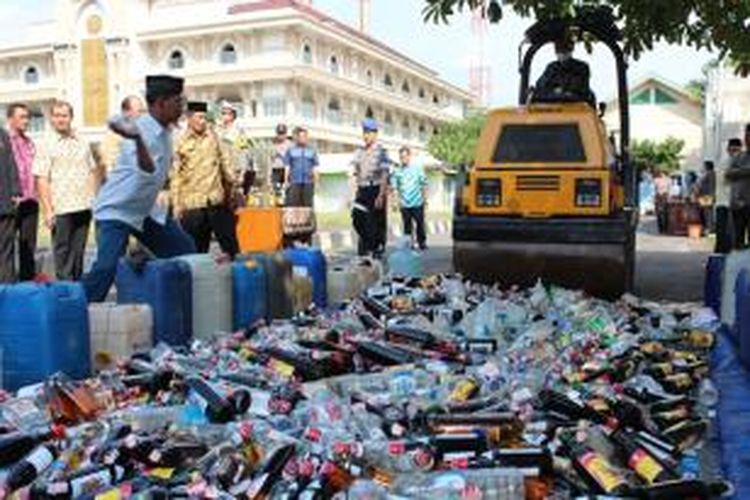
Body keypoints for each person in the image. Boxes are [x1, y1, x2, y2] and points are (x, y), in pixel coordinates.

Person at [82, 75, 196, 302]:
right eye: (177, 102)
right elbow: (146, 169)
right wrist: (136, 140)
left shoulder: (164, 131)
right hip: (116, 211)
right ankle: (75, 310)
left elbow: (115, 119)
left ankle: (165, 293)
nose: (182, 108)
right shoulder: (143, 130)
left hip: (143, 212)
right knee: (105, 269)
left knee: (185, 250)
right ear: (161, 103)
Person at [33, 100, 100, 281]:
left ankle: (77, 289)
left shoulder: (82, 141)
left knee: (78, 252)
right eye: (56, 116)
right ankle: (65, 290)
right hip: (61, 207)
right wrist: (47, 209)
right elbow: (42, 178)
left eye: (64, 115)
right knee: (62, 252)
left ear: (71, 117)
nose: (60, 119)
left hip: (83, 205)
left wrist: (93, 197)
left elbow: (92, 171)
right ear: (51, 119)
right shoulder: (45, 144)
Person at [170, 101, 240, 257]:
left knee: (232, 249)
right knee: (195, 253)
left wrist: (234, 184)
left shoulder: (214, 137)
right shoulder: (180, 142)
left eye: (205, 117)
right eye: (199, 117)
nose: (203, 121)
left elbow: (225, 161)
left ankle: (239, 277)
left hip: (216, 201)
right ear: (189, 118)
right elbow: (175, 176)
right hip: (192, 205)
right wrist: (176, 205)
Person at [350, 118, 391, 258]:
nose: (365, 135)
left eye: (368, 132)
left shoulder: (382, 152)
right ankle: (369, 244)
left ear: (375, 134)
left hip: (376, 189)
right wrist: (352, 193)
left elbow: (385, 175)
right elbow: (355, 173)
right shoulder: (359, 152)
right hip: (362, 190)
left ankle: (376, 248)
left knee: (375, 221)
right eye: (364, 132)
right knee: (357, 217)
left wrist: (381, 195)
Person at [7, 103, 38, 281]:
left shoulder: (29, 142)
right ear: (10, 119)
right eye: (22, 117)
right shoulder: (4, 141)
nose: (26, 121)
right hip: (11, 200)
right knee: (7, 245)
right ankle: (7, 285)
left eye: (28, 117)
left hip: (31, 200)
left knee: (28, 246)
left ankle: (27, 285)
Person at [534, 38, 594, 106]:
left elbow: (581, 88)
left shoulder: (581, 68)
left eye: (564, 51)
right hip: (551, 107)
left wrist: (563, 91)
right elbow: (540, 86)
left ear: (571, 50)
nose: (562, 54)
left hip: (575, 107)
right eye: (559, 51)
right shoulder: (551, 68)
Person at [391, 146, 428, 250]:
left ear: (409, 156)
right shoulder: (397, 171)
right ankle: (409, 244)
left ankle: (422, 242)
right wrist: (395, 202)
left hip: (417, 202)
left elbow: (424, 184)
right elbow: (394, 188)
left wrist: (425, 199)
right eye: (401, 157)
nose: (403, 159)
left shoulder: (417, 169)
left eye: (405, 156)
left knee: (420, 223)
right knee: (407, 226)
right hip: (404, 203)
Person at [100, 95, 145, 175]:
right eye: (139, 111)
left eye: (143, 111)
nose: (142, 115)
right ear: (126, 112)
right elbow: (109, 165)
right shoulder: (114, 134)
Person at [216, 100, 255, 195]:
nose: (224, 116)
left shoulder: (238, 132)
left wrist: (242, 174)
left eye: (226, 113)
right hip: (219, 171)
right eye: (222, 113)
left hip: (234, 170)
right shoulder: (217, 130)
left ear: (233, 116)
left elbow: (244, 153)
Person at [0, 124, 20, 283]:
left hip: (5, 203)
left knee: (7, 247)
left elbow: (11, 163)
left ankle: (7, 287)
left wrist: (16, 191)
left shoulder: (2, 134)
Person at [715, 138, 743, 253]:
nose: (735, 153)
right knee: (723, 237)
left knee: (736, 238)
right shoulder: (724, 163)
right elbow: (726, 179)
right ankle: (718, 262)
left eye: (737, 150)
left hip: (738, 205)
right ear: (728, 150)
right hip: (724, 204)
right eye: (732, 150)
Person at [726, 124, 750, 249]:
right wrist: (746, 170)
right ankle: (739, 266)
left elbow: (734, 173)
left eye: (749, 136)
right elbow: (728, 174)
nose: (747, 139)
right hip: (738, 205)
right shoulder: (739, 156)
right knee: (738, 241)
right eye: (746, 136)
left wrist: (739, 171)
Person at [284, 126, 319, 207]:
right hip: (295, 181)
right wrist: (285, 180)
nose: (302, 138)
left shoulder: (312, 151)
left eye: (304, 136)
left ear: (307, 138)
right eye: (300, 136)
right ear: (297, 138)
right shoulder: (291, 150)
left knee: (308, 205)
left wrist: (317, 181)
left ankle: (308, 220)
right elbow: (287, 166)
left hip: (308, 182)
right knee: (294, 205)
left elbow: (315, 167)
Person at [694, 161, 716, 235]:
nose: (703, 167)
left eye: (704, 166)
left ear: (707, 166)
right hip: (709, 195)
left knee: (707, 213)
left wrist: (696, 193)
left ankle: (708, 228)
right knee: (709, 212)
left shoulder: (708, 174)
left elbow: (700, 184)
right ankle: (710, 228)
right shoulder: (713, 173)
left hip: (706, 196)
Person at [653, 168, 671, 234]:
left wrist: (668, 197)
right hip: (659, 196)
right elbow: (655, 189)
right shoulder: (656, 180)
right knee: (659, 213)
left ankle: (665, 228)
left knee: (666, 213)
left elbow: (669, 189)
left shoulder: (668, 180)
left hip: (664, 196)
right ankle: (661, 228)